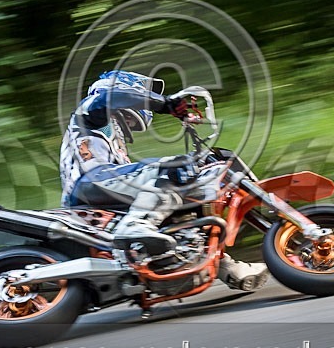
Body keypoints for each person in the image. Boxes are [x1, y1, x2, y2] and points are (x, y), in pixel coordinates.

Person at [59, 70, 269, 291]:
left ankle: (221, 263)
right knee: (171, 168)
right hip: (91, 183)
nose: (132, 119)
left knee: (180, 198)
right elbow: (110, 98)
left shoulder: (115, 144)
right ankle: (134, 225)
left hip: (103, 187)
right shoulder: (91, 112)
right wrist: (165, 104)